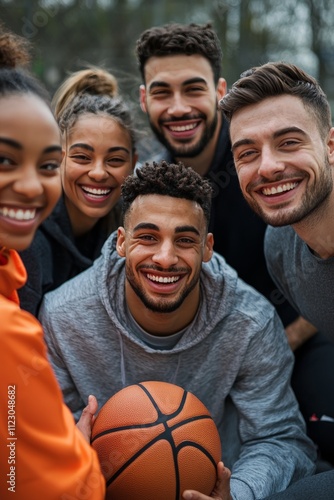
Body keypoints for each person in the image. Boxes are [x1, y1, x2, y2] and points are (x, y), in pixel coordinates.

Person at [39, 160, 316, 499]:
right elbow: (39, 435)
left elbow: (281, 438)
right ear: (121, 242)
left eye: (185, 239)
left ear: (207, 248)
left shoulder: (250, 323)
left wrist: (238, 492)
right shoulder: (63, 316)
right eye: (148, 237)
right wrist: (70, 458)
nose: (166, 258)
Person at [134, 22, 297, 329]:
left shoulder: (267, 170)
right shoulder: (144, 185)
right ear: (144, 100)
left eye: (193, 89)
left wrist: (281, 347)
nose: (179, 108)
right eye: (162, 93)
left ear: (220, 92)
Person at [0, 24, 105, 498]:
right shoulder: (9, 332)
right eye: (5, 160)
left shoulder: (13, 273)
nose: (29, 185)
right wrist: (78, 453)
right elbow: (34, 483)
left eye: (46, 165)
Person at [219, 61, 334, 467]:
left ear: (331, 146)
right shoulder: (280, 248)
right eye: (247, 153)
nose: (266, 167)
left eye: (288, 142)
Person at [18, 66, 138, 316]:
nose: (98, 172)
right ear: (57, 158)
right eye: (82, 157)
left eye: (115, 160)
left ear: (133, 163)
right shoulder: (28, 243)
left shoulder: (132, 229)